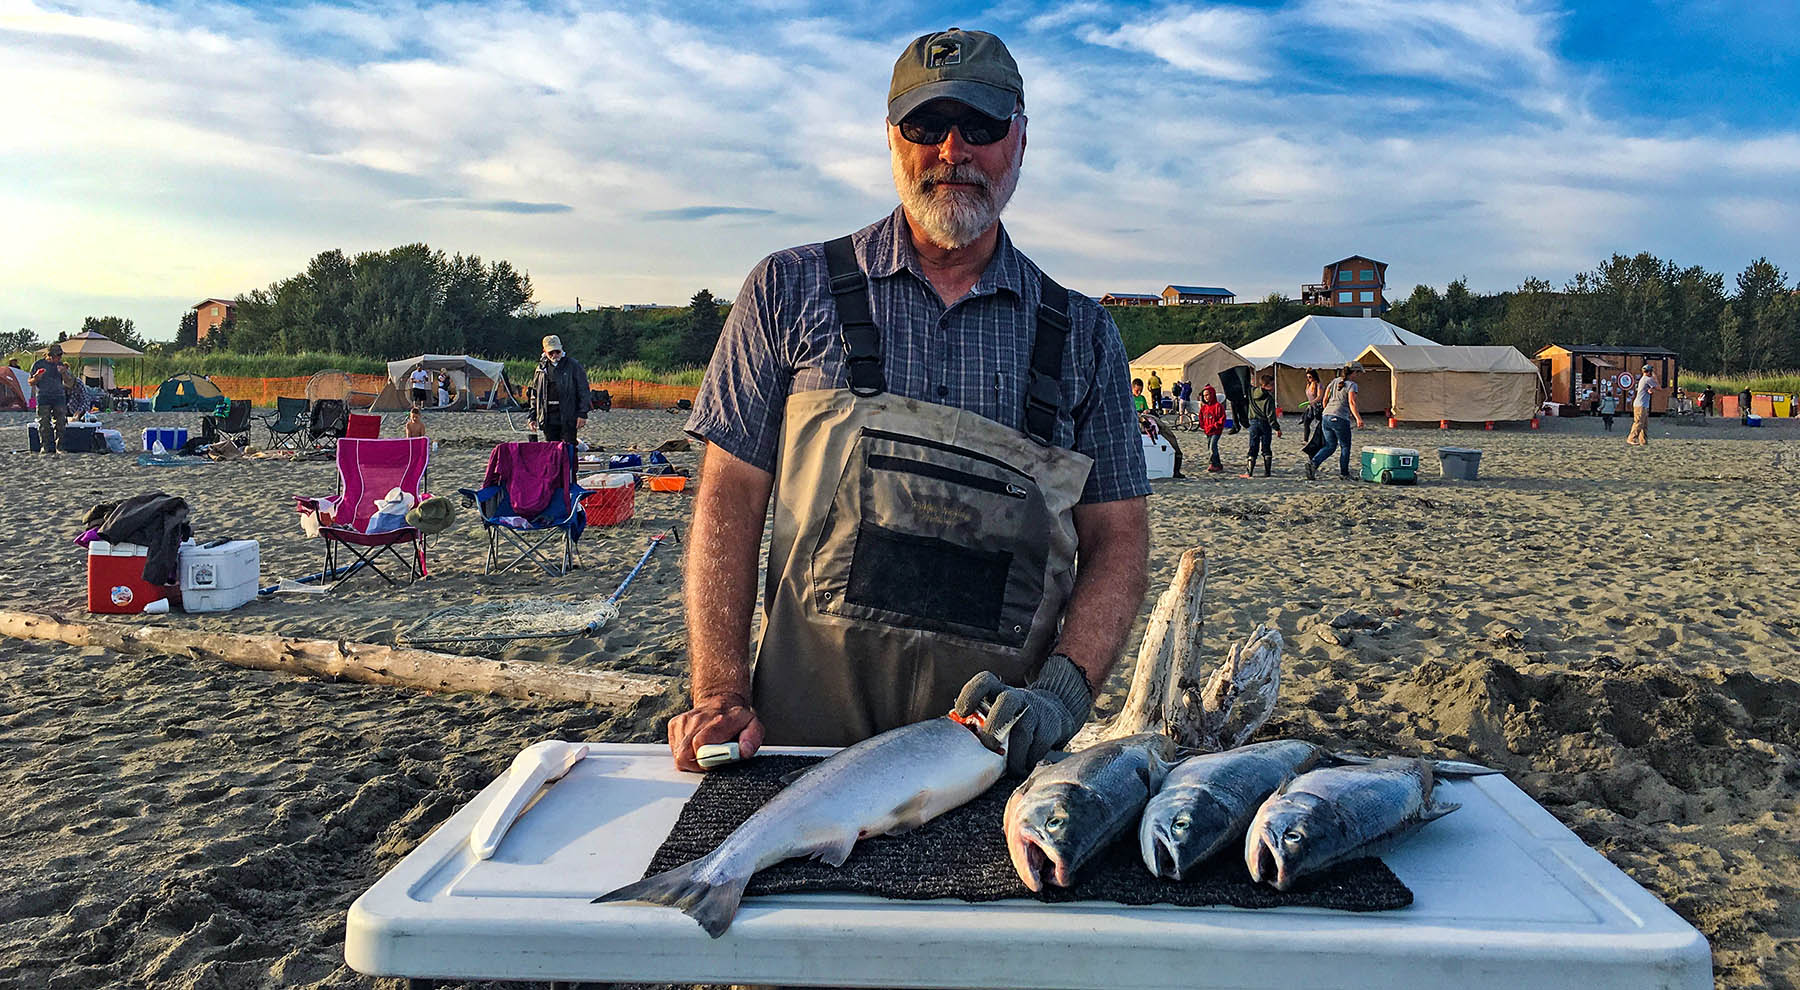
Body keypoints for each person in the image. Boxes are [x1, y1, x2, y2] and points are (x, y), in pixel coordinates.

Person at [670, 27, 1151, 775]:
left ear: (1020, 142)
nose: (953, 150)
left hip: (995, 761)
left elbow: (1119, 541)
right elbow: (728, 501)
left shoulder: (1085, 335)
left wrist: (1061, 694)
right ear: (891, 139)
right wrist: (720, 689)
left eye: (982, 126)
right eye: (927, 125)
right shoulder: (786, 292)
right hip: (798, 752)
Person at [1307, 364, 1364, 480]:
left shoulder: (1334, 381)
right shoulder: (1352, 385)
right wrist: (1358, 418)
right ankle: (1344, 473)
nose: (1358, 376)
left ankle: (1313, 463)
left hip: (1327, 416)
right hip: (1340, 417)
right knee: (1345, 446)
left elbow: (1325, 399)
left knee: (1330, 446)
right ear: (1353, 373)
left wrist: (1326, 410)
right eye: (1358, 373)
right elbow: (1352, 403)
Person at [528, 335, 590, 442]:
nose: (554, 355)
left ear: (561, 349)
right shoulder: (540, 369)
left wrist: (582, 414)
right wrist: (532, 417)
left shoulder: (573, 366)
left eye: (557, 351)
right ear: (544, 351)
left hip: (568, 415)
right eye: (550, 352)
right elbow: (535, 395)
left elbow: (583, 391)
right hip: (548, 416)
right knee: (552, 448)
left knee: (568, 448)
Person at [28, 344, 76, 455]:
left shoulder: (61, 365)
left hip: (59, 397)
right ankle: (45, 446)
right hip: (43, 396)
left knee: (61, 423)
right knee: (44, 423)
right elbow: (30, 382)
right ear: (49, 355)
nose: (59, 358)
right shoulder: (38, 364)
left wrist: (63, 373)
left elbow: (70, 383)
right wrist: (36, 377)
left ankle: (60, 447)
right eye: (57, 356)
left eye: (60, 356)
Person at [1241, 372, 1280, 477]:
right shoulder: (1269, 399)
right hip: (1265, 423)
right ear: (1264, 385)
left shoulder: (1251, 392)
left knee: (1253, 446)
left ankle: (1249, 472)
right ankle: (1267, 472)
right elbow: (1271, 416)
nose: (1272, 387)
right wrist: (1277, 428)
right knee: (1266, 447)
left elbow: (1246, 383)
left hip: (1253, 422)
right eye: (1271, 385)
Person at [1626, 364, 1658, 445]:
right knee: (1639, 423)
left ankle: (1643, 441)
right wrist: (1655, 377)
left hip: (1643, 405)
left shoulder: (1644, 379)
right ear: (1649, 372)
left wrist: (1651, 389)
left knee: (1644, 425)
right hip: (1641, 405)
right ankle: (1631, 438)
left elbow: (1650, 389)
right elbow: (1659, 387)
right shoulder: (1647, 379)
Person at [1199, 384, 1227, 472]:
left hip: (1216, 430)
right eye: (1204, 395)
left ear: (1212, 394)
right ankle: (1218, 464)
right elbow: (1201, 418)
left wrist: (1214, 426)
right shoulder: (1204, 408)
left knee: (1212, 446)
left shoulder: (1218, 406)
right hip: (1207, 430)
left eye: (1207, 395)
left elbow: (1222, 419)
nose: (1206, 397)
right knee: (1210, 446)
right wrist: (1204, 426)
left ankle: (1213, 464)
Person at [1301, 368, 1324, 444]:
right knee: (1306, 422)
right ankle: (1305, 440)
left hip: (1318, 407)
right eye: (1307, 377)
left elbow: (1320, 396)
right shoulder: (1309, 385)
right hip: (1310, 407)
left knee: (1322, 423)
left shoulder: (1318, 384)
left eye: (1310, 377)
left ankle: (1323, 439)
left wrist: (1312, 401)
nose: (1309, 379)